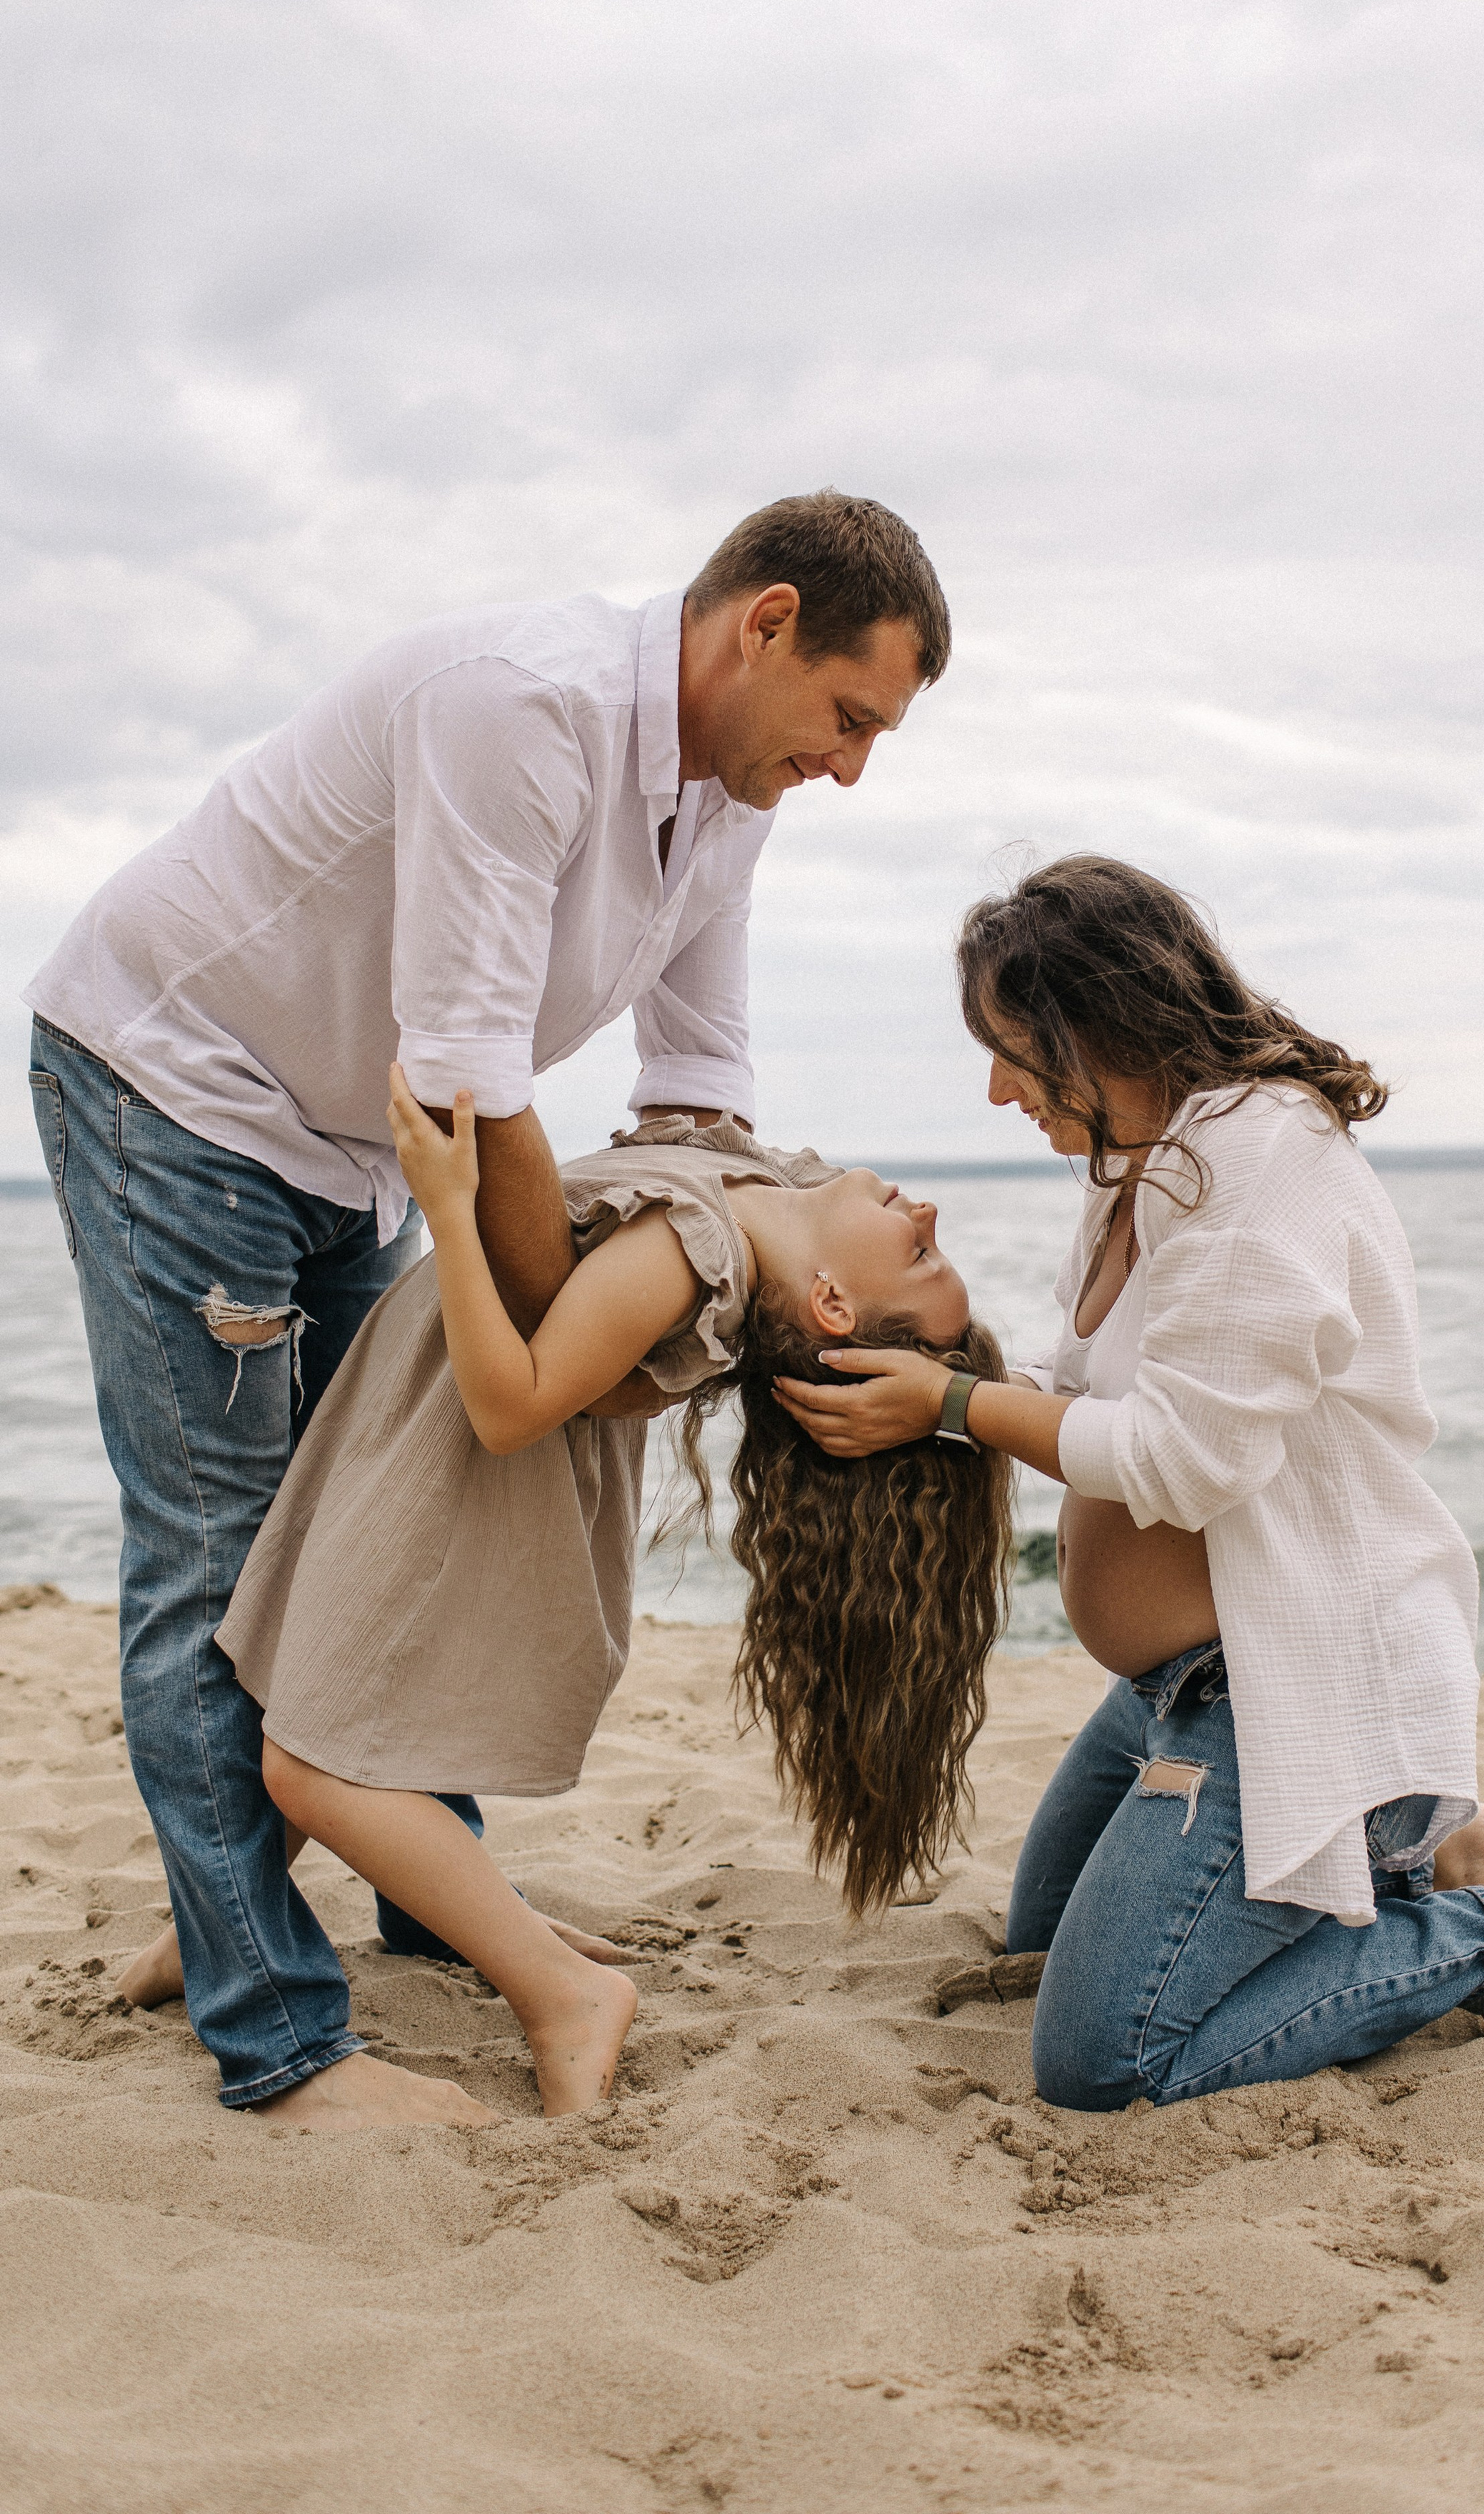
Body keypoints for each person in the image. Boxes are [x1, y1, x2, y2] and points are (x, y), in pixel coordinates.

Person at [24, 489, 951, 2124]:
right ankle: (278, 2036)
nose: (852, 765)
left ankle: (406, 1906)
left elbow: (699, 1094)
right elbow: (467, 1076)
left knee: (368, 1541)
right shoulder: (523, 709)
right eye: (849, 715)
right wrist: (577, 1357)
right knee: (220, 1557)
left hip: (357, 1154)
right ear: (764, 623)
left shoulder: (731, 798)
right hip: (179, 1088)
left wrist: (662, 1313)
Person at [776, 855, 1484, 2108]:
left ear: (1101, 1023)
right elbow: (1095, 1381)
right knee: (1042, 1939)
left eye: (1012, 1049)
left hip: (1288, 1677)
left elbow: (1182, 1460)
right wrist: (922, 1377)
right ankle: (1425, 1848)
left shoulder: (1259, 1167)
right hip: (1173, 1688)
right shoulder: (1143, 1157)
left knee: (1107, 2053)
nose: (995, 1089)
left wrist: (951, 1407)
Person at [209, 1078, 1011, 2116]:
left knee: (314, 1759)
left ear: (834, 1303)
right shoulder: (759, 1185)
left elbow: (513, 1411)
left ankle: (564, 1996)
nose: (928, 1217)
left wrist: (448, 1210)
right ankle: (220, 1925)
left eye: (921, 1257)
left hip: (461, 1463)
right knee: (306, 1677)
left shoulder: (700, 1252)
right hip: (422, 1424)